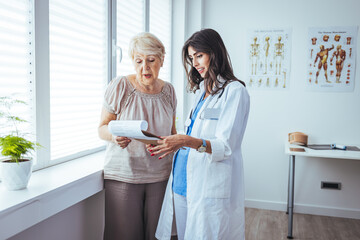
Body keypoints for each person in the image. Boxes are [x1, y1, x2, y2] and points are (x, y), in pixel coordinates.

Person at [148, 28, 250, 239]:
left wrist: (185, 140)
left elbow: (226, 146)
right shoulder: (202, 90)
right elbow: (194, 133)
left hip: (209, 184)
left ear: (215, 52)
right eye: (191, 58)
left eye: (199, 55)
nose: (194, 63)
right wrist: (173, 143)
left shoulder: (234, 91)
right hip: (183, 180)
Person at [98, 32, 177, 240]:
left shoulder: (169, 91)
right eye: (139, 61)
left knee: (159, 235)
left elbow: (172, 133)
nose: (145, 68)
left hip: (160, 175)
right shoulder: (121, 86)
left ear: (161, 60)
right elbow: (102, 128)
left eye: (151, 60)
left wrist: (172, 144)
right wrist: (115, 136)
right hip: (124, 175)